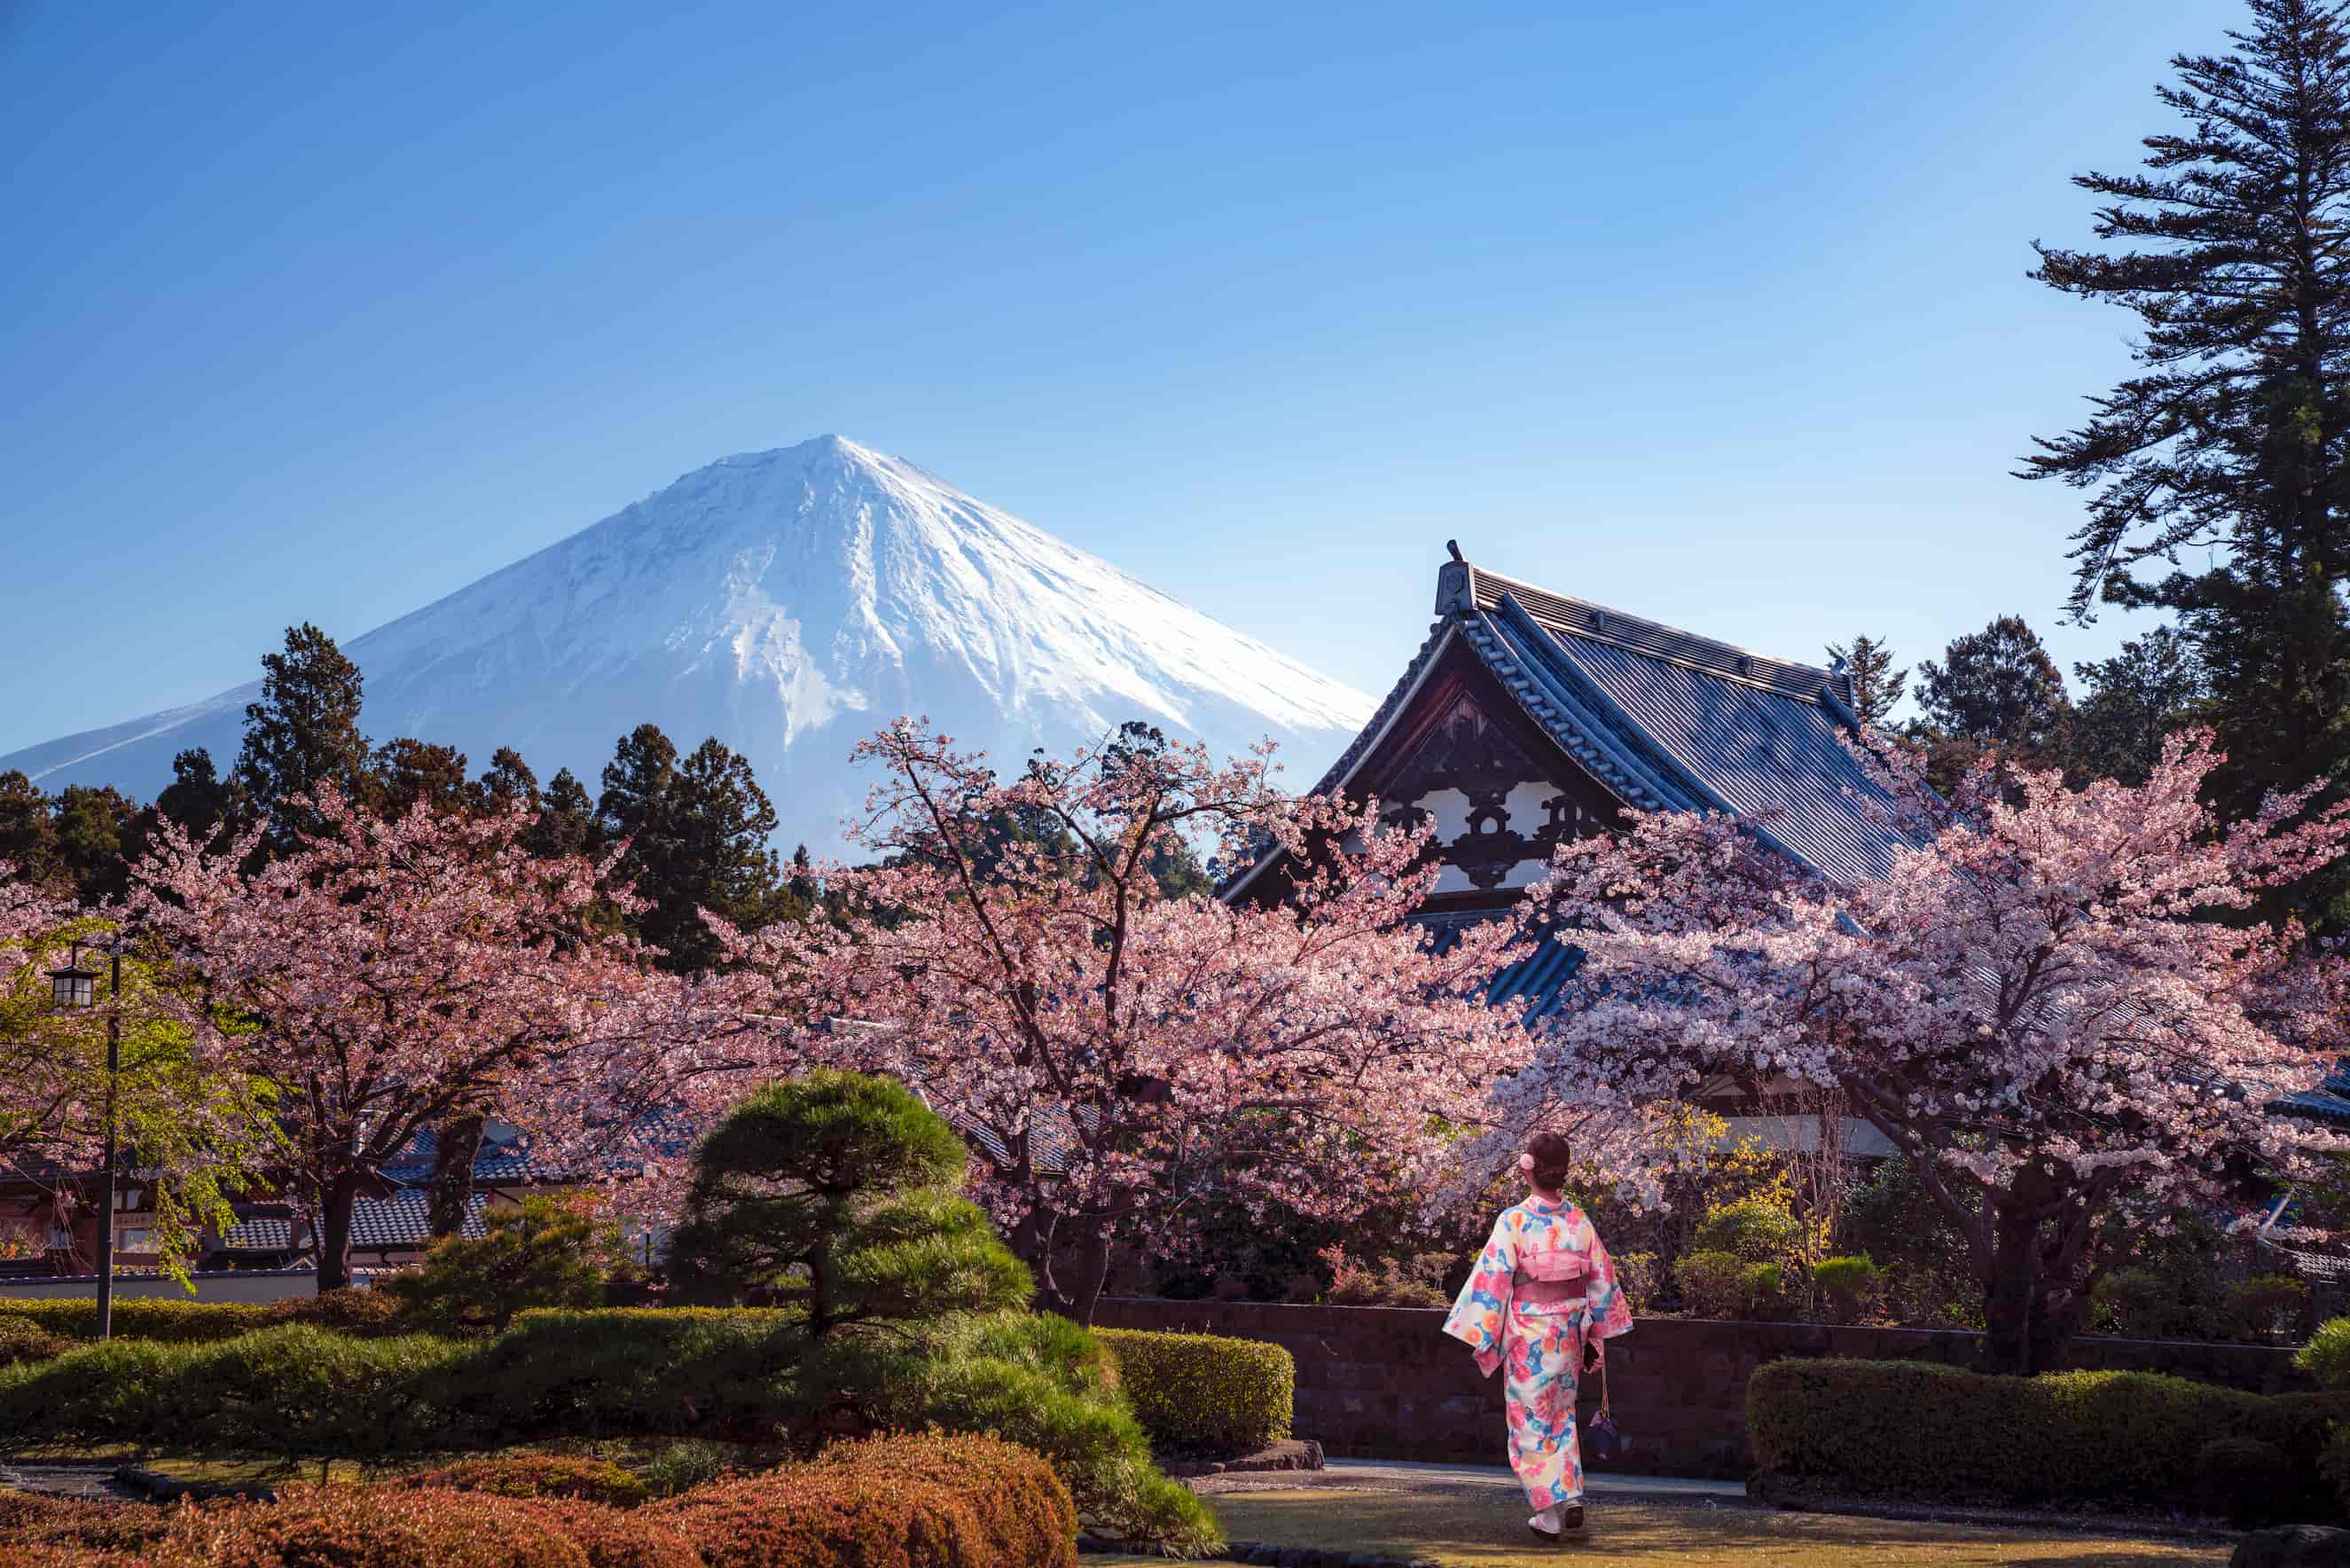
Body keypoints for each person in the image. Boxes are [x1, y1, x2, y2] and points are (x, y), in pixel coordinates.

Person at [1441, 1131, 1633, 1541]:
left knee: (1529, 1421)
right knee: (1560, 1417)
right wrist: (1595, 1334)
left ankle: (1549, 1511)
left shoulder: (1515, 1220)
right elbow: (1601, 1281)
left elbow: (1493, 1281)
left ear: (1527, 1168)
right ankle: (1570, 1497)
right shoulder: (1578, 1221)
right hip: (1567, 1333)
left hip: (1529, 1335)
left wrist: (1482, 1332)